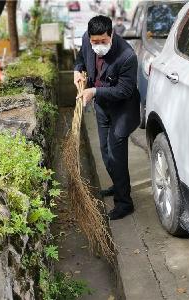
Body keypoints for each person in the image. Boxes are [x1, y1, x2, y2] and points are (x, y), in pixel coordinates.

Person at [74, 15, 140, 220]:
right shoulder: (87, 39)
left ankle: (124, 203)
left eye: (103, 41)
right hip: (102, 107)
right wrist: (77, 71)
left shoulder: (127, 55)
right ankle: (118, 184)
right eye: (95, 42)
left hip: (123, 109)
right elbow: (81, 59)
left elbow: (125, 90)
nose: (98, 45)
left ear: (111, 34)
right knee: (104, 150)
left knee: (116, 154)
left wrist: (94, 92)